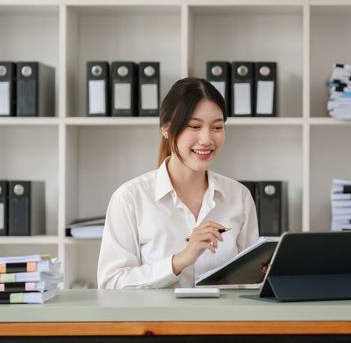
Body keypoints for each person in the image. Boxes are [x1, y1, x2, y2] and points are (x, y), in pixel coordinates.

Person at [97, 77, 259, 289]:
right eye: (194, 126)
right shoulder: (130, 198)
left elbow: (252, 284)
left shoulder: (239, 196)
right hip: (159, 322)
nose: (206, 139)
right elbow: (111, 283)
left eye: (217, 128)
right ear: (166, 128)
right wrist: (179, 261)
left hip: (224, 321)